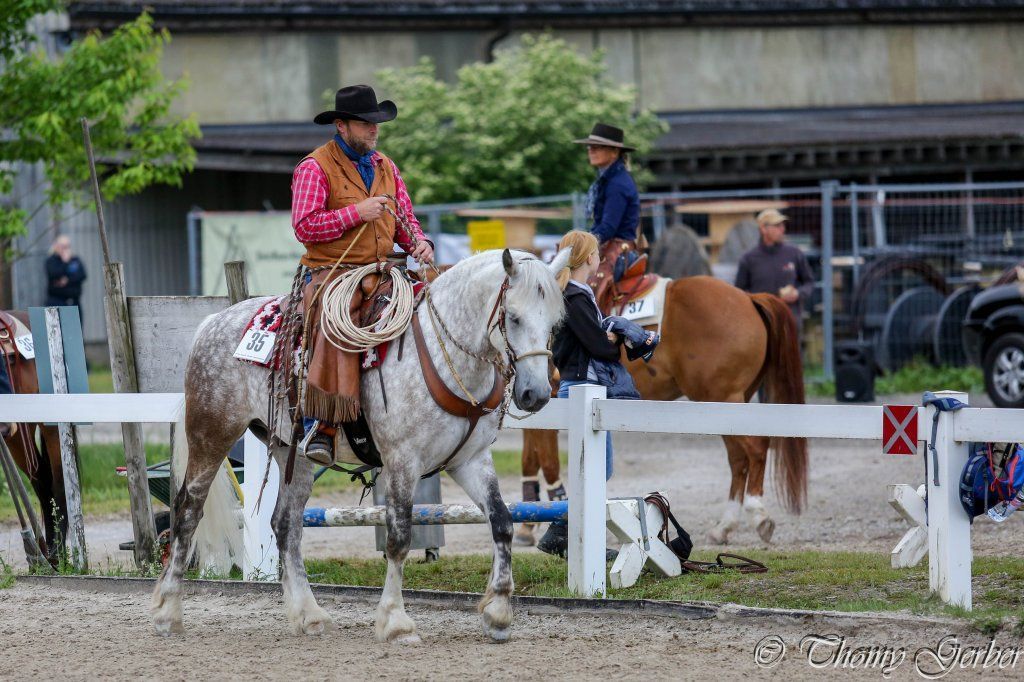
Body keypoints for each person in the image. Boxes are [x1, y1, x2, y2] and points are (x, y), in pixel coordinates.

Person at [291, 84, 433, 465]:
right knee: (340, 322)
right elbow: (304, 227)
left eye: (376, 123)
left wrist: (420, 242)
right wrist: (357, 213)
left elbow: (405, 219)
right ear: (341, 126)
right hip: (331, 273)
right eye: (365, 123)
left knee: (430, 311)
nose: (374, 130)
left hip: (383, 270)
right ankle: (323, 424)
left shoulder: (386, 166)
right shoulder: (314, 167)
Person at [536, 230, 643, 559]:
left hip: (580, 383)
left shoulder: (572, 294)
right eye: (597, 252)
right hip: (585, 385)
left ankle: (569, 536)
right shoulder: (577, 297)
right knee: (598, 468)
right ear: (590, 259)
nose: (600, 257)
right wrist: (612, 341)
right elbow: (597, 346)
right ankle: (562, 532)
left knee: (595, 467)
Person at [572, 123, 641, 308]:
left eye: (597, 147)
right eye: (589, 147)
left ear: (614, 152)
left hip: (617, 251)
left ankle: (597, 333)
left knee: (579, 287)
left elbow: (608, 228)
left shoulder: (617, 184)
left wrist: (581, 244)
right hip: (609, 247)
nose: (591, 150)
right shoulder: (609, 179)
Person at [734, 209, 815, 329]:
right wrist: (757, 301)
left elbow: (809, 282)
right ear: (763, 229)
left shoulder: (794, 253)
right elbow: (739, 292)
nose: (783, 229)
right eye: (777, 226)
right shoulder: (748, 259)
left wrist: (797, 293)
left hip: (790, 322)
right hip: (761, 324)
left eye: (782, 225)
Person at [45, 236, 87, 315]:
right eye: (63, 246)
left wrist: (67, 280)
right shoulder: (51, 260)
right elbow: (54, 274)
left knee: (76, 327)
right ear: (56, 246)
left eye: (68, 246)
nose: (66, 249)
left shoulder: (75, 259)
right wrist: (65, 262)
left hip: (74, 303)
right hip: (56, 303)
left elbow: (82, 275)